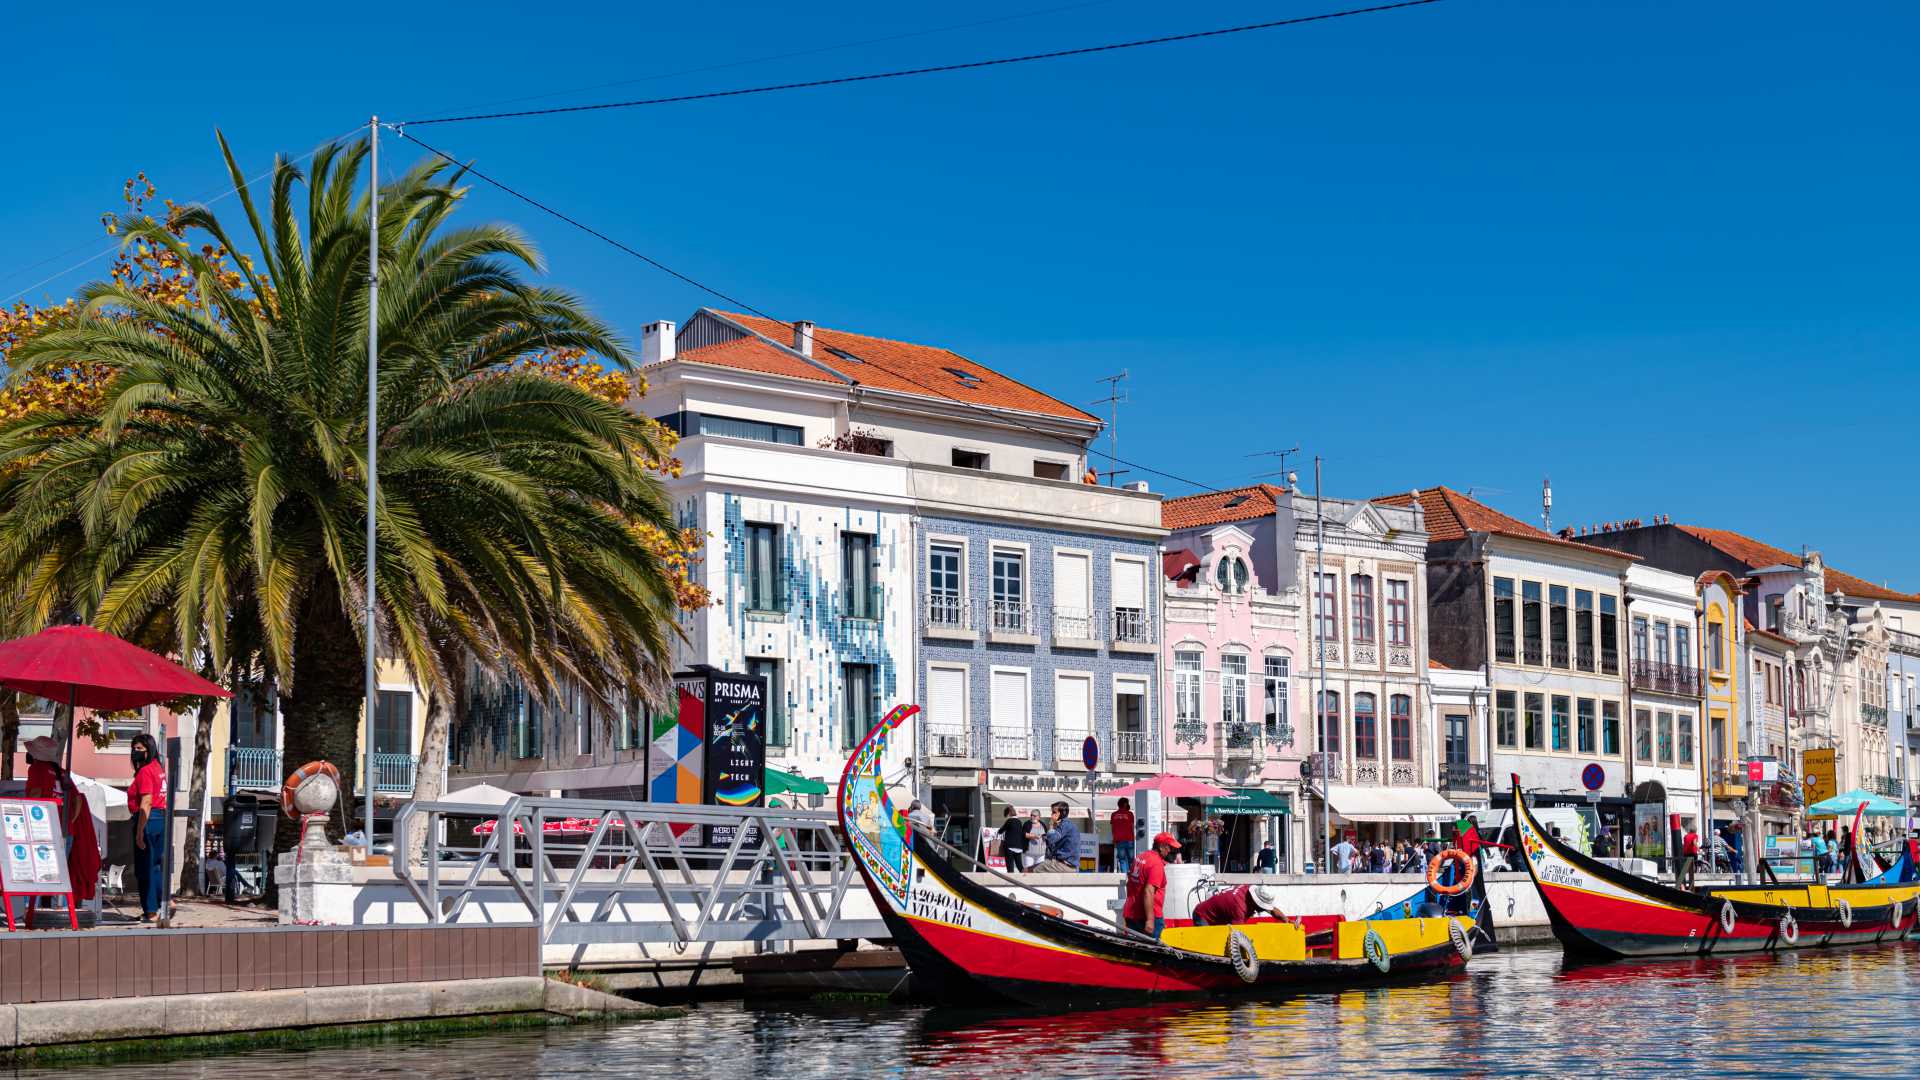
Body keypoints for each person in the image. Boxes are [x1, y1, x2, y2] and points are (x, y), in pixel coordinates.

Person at [127, 733, 169, 922]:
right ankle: (166, 901)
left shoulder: (144, 771)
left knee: (145, 868)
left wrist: (139, 832)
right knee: (155, 867)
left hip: (148, 819)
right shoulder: (158, 768)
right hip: (160, 818)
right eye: (133, 748)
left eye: (139, 749)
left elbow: (146, 802)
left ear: (149, 750)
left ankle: (151, 911)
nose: (135, 752)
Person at [1123, 832, 1180, 938]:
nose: (1173, 852)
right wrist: (1150, 920)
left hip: (1132, 914)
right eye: (1171, 848)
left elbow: (1129, 883)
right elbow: (1148, 891)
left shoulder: (1140, 857)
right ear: (1161, 847)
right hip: (1148, 917)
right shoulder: (1156, 864)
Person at [1192, 882, 1283, 927]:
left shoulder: (1248, 888)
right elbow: (1237, 937)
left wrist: (1287, 920)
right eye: (1262, 906)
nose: (1264, 909)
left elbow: (1272, 910)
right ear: (1256, 902)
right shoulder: (1239, 909)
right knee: (1209, 947)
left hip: (1217, 915)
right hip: (1202, 916)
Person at [1037, 802, 1082, 873]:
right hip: (1065, 864)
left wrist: (1051, 824)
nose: (1051, 815)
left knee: (1033, 870)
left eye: (1054, 812)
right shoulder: (1065, 825)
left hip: (1064, 865)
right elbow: (1053, 844)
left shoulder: (1065, 824)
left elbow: (1052, 839)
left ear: (1062, 813)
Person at [995, 808, 1028, 874]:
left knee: (1010, 867)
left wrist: (998, 831)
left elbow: (1001, 831)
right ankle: (1026, 878)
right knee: (1019, 866)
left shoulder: (1009, 821)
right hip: (1018, 847)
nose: (1006, 817)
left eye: (1006, 815)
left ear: (1009, 813)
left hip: (1010, 847)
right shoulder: (1019, 822)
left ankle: (1010, 882)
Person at [1111, 798, 1136, 874]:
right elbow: (1132, 827)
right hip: (1129, 839)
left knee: (1122, 860)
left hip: (1119, 840)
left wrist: (1114, 839)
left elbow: (1112, 828)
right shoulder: (1130, 814)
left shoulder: (1113, 814)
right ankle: (1132, 877)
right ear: (1125, 804)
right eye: (1127, 803)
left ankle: (1124, 876)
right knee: (1131, 859)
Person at [1679, 824, 1700, 888]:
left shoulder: (1685, 836)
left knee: (1686, 865)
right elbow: (1694, 842)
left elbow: (1684, 844)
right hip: (1692, 852)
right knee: (1694, 864)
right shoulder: (1695, 835)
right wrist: (1698, 848)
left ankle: (1682, 880)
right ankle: (1693, 877)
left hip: (1685, 853)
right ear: (1695, 830)